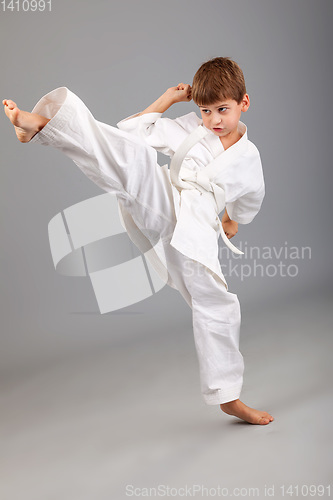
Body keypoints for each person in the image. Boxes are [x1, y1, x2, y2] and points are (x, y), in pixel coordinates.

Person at [3, 57, 274, 425]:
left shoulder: (249, 158)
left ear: (244, 102)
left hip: (195, 228)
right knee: (130, 158)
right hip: (164, 194)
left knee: (218, 305)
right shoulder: (192, 127)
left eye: (222, 110)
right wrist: (166, 100)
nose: (213, 120)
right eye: (206, 110)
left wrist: (232, 220)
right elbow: (132, 132)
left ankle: (228, 396)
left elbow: (250, 196)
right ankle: (43, 126)